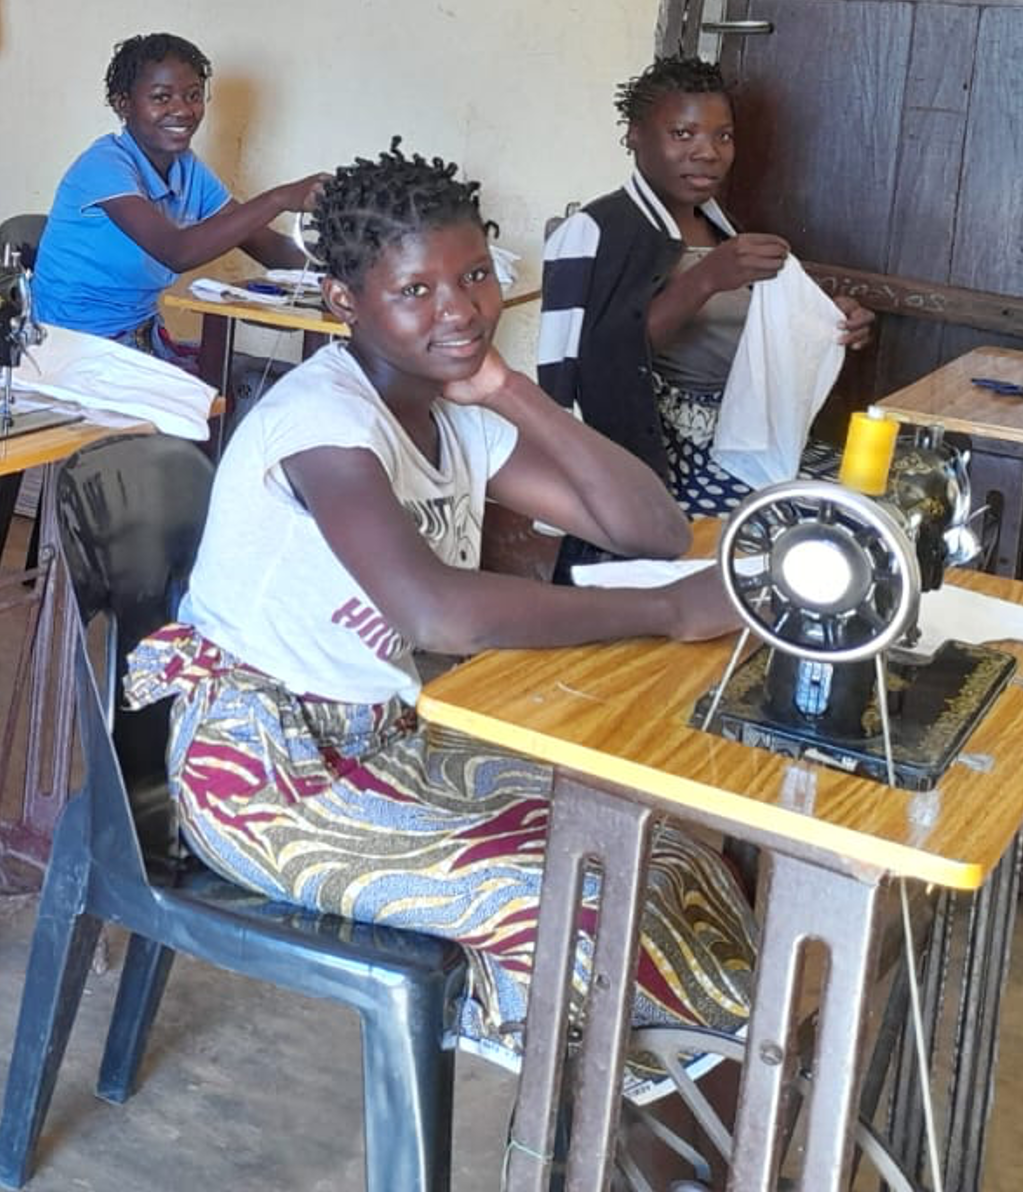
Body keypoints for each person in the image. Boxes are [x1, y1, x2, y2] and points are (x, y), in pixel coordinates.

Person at [122, 146, 755, 1078]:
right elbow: (436, 614)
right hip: (263, 771)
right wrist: (665, 614)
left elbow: (650, 527)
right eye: (415, 290)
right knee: (589, 900)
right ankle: (582, 1144)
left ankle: (681, 1130)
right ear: (345, 301)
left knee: (654, 842)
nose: (457, 309)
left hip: (384, 738)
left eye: (472, 277)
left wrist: (506, 388)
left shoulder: (451, 412)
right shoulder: (325, 423)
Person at [538, 55, 872, 517]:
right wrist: (705, 279)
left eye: (724, 136)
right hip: (670, 455)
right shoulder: (596, 230)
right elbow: (595, 362)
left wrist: (827, 320)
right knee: (811, 524)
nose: (708, 152)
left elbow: (754, 334)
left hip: (748, 435)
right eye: (682, 134)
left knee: (882, 501)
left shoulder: (722, 229)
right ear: (635, 135)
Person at [30, 32, 326, 363]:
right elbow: (176, 251)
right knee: (224, 396)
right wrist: (280, 198)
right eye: (161, 97)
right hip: (72, 351)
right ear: (122, 103)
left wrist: (352, 267)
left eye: (193, 95)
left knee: (252, 380)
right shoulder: (103, 166)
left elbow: (264, 244)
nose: (182, 110)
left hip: (141, 339)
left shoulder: (187, 168)